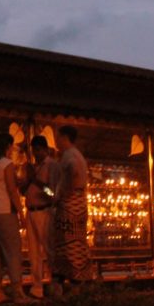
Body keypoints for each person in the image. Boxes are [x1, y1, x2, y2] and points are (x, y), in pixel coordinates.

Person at [0, 133, 28, 303]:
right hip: (4, 212)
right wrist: (21, 212)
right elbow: (11, 190)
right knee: (13, 251)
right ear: (8, 146)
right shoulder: (6, 164)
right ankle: (17, 290)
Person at [52, 125, 93, 295]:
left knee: (72, 242)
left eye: (57, 137)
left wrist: (65, 192)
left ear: (64, 137)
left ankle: (76, 278)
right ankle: (69, 277)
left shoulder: (72, 156)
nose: (55, 140)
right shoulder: (71, 155)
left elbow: (74, 173)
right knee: (68, 242)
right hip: (73, 202)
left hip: (71, 204)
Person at [23, 136, 60, 299]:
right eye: (33, 150)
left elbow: (53, 193)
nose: (35, 153)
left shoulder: (52, 166)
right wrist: (25, 181)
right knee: (33, 252)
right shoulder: (33, 167)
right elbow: (24, 191)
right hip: (30, 211)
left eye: (38, 150)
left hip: (44, 211)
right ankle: (36, 287)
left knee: (49, 250)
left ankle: (55, 285)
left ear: (45, 149)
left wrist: (35, 181)